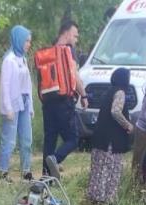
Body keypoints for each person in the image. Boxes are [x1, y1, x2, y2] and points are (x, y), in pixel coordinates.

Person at [41, 20, 88, 177]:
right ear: (66, 33)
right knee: (73, 139)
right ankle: (55, 159)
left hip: (48, 101)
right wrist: (84, 95)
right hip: (64, 101)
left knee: (50, 139)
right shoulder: (68, 51)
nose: (76, 39)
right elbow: (74, 75)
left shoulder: (50, 49)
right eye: (75, 36)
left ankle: (46, 177)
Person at [87, 67, 134, 205]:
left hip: (101, 136)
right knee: (111, 168)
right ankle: (108, 199)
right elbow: (115, 111)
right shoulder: (120, 93)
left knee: (99, 168)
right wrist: (127, 125)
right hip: (112, 140)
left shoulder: (109, 91)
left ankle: (96, 196)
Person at [0, 25, 34, 182]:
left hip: (24, 102)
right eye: (26, 41)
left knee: (26, 139)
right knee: (9, 140)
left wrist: (31, 106)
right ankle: (3, 172)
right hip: (13, 103)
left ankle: (26, 171)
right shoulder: (9, 60)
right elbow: (5, 86)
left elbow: (28, 84)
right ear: (18, 40)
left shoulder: (23, 59)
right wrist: (8, 108)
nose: (28, 44)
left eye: (29, 41)